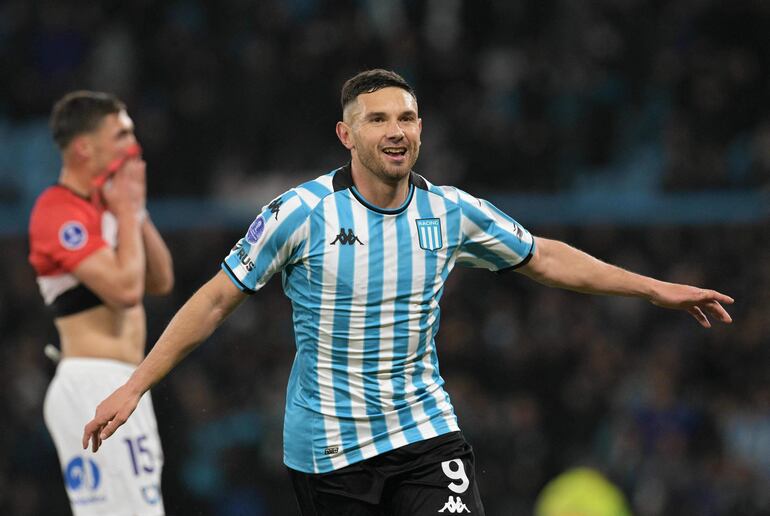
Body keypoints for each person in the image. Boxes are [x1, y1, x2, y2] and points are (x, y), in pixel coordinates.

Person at [83, 69, 732, 515]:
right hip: (328, 452)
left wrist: (653, 289)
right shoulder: (299, 213)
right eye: (379, 119)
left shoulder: (451, 212)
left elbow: (544, 256)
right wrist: (137, 384)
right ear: (348, 134)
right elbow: (216, 298)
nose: (397, 130)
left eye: (408, 117)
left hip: (425, 436)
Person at [29, 91, 174, 516]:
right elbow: (126, 290)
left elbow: (160, 280)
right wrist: (127, 212)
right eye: (121, 135)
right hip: (90, 381)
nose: (134, 145)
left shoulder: (112, 206)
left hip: (126, 383)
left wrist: (136, 211)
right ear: (84, 147)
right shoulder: (57, 211)